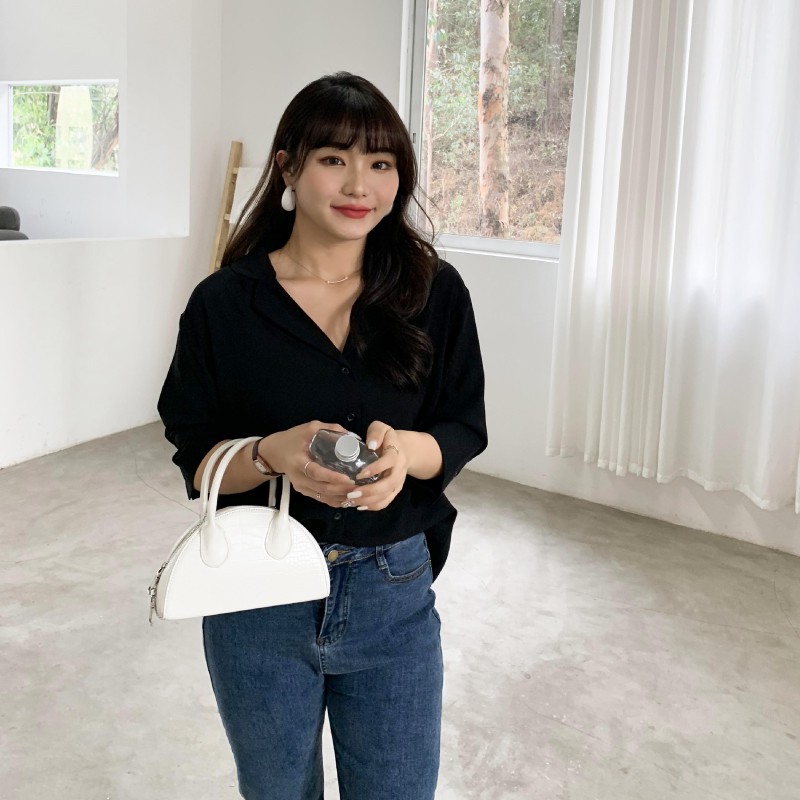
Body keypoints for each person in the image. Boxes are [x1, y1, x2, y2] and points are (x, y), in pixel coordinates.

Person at [158, 72, 487, 800]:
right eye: (334, 158)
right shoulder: (224, 304)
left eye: (381, 162)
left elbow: (463, 425)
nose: (359, 184)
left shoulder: (435, 292)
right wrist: (271, 453)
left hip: (392, 589)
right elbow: (198, 456)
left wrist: (405, 455)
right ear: (288, 167)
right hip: (257, 601)